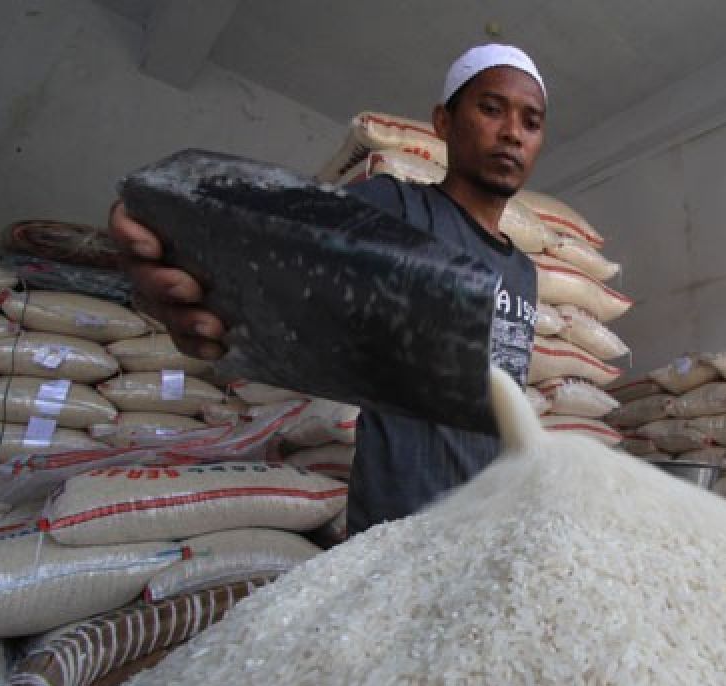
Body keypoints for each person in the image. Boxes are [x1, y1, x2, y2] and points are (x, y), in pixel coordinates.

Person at [109, 44, 547, 534]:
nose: (512, 132)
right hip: (401, 521)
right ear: (443, 121)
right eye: (491, 109)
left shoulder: (524, 273)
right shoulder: (397, 209)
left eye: (531, 122)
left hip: (487, 519)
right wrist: (154, 219)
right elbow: (268, 225)